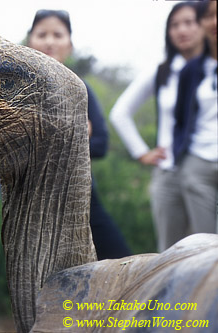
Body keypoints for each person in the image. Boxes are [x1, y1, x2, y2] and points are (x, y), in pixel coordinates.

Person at [27, 9, 131, 259]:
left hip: (81, 197)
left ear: (70, 45)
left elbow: (100, 145)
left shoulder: (81, 89)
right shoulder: (19, 91)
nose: (50, 41)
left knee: (120, 263)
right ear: (30, 41)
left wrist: (47, 136)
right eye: (42, 34)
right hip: (31, 202)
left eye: (58, 34)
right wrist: (74, 134)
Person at [109, 2, 206, 251]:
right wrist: (141, 151)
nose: (182, 30)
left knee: (209, 251)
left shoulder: (211, 71)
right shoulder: (162, 72)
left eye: (189, 22)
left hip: (206, 170)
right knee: (171, 253)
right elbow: (120, 112)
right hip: (168, 173)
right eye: (174, 25)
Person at [173, 0, 217, 235]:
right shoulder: (191, 70)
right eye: (209, 15)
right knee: (206, 245)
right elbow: (180, 119)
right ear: (201, 23)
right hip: (198, 162)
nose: (215, 21)